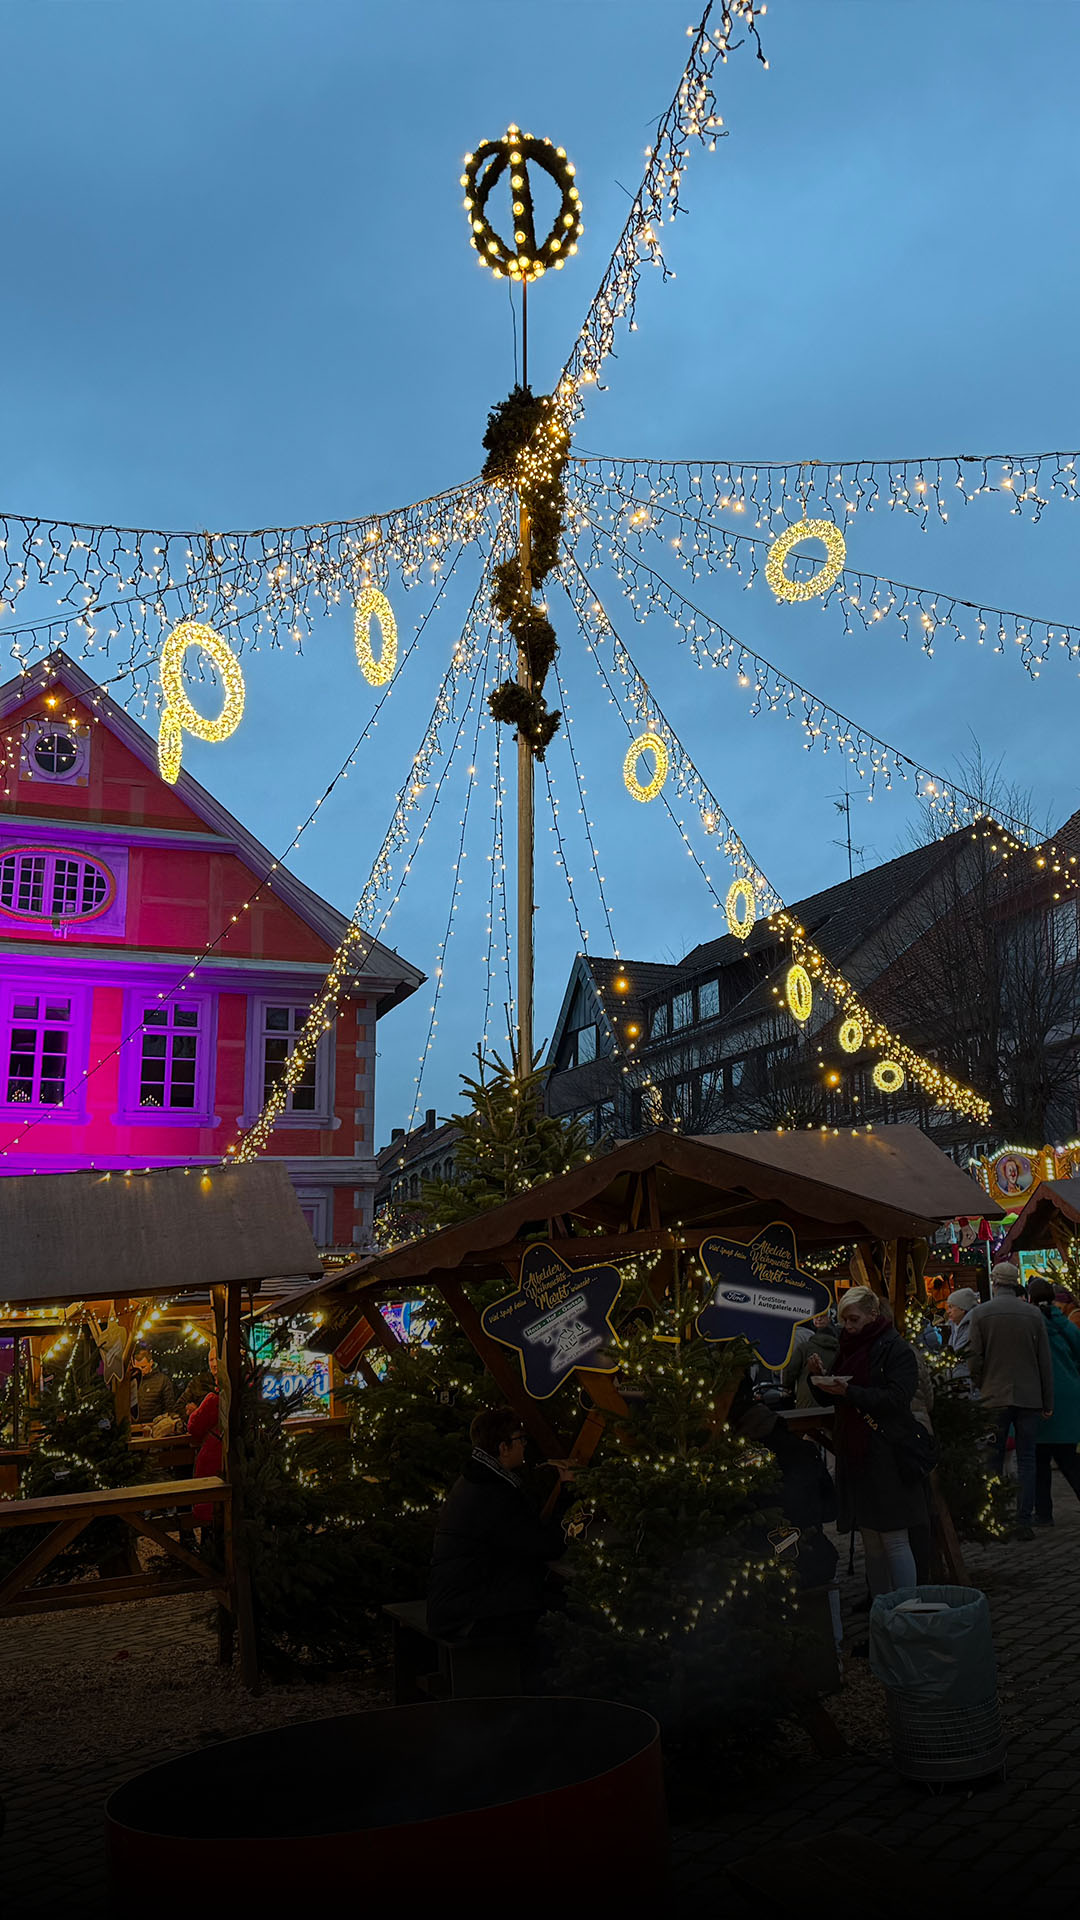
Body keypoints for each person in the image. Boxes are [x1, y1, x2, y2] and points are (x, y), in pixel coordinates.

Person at [808, 1285, 926, 1598]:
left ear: (873, 1315)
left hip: (886, 1453)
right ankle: (882, 1609)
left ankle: (905, 1610)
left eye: (853, 1319)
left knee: (894, 1538)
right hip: (856, 1452)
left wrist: (850, 1392)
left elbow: (898, 1399)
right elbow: (835, 1397)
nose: (847, 1326)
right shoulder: (848, 1346)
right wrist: (818, 1378)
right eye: (844, 1320)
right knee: (871, 1539)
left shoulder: (895, 1349)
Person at [427, 1406, 574, 1643]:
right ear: (503, 1448)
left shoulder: (477, 1479)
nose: (525, 1444)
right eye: (520, 1439)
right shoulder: (494, 1494)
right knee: (561, 1616)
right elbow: (547, 1546)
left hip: (457, 1604)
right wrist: (568, 1491)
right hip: (469, 1613)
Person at [967, 1261, 1054, 1538]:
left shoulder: (981, 1314)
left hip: (994, 1395)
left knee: (992, 1458)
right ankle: (1023, 1520)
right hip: (1029, 1396)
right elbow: (1044, 1361)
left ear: (995, 1282)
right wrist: (1047, 1400)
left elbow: (974, 1358)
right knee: (1027, 1458)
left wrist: (982, 1384)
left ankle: (994, 1517)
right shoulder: (1032, 1314)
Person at [1027, 1278, 1080, 1525]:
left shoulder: (1030, 1326)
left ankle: (1043, 1513)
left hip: (1040, 1398)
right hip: (1069, 1398)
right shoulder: (1066, 1326)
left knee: (1039, 1462)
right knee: (1069, 1460)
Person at [187, 1345, 221, 1527]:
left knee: (210, 1510)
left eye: (216, 1359)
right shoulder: (200, 1383)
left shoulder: (215, 1398)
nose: (213, 1364)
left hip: (213, 1463)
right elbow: (180, 1404)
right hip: (217, 1461)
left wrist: (196, 1411)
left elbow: (194, 1426)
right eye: (210, 1360)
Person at [782, 1311, 839, 1408]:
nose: (819, 1319)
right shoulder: (840, 1351)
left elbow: (789, 1372)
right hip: (833, 1405)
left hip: (806, 1403)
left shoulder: (804, 1348)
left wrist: (787, 1388)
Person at [130, 1345, 177, 1425]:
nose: (140, 1371)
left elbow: (169, 1407)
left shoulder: (162, 1380)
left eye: (143, 1367)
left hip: (155, 1428)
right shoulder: (130, 1381)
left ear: (151, 1363)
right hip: (133, 1428)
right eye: (137, 1368)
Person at [944, 1286, 981, 1385]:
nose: (948, 1311)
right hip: (957, 1383)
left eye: (951, 1307)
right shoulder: (953, 1327)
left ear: (962, 1308)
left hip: (968, 1385)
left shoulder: (972, 1328)